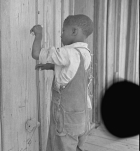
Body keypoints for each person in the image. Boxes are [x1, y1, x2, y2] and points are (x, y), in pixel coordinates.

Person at [31, 14, 94, 151]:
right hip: (81, 115)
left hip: (65, 116)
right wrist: (52, 66)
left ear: (74, 31)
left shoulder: (67, 52)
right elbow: (74, 71)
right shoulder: (85, 53)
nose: (61, 35)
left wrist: (38, 35)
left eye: (63, 31)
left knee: (60, 146)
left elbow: (36, 54)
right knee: (76, 146)